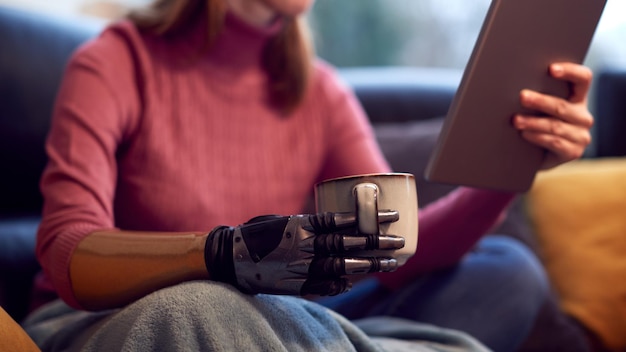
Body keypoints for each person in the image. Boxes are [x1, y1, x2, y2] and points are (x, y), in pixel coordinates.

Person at [22, 0, 595, 351]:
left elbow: (392, 249)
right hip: (114, 317)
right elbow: (68, 250)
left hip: (284, 315)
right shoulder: (117, 61)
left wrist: (510, 164)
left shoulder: (321, 91)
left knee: (508, 272)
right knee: (204, 307)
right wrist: (225, 256)